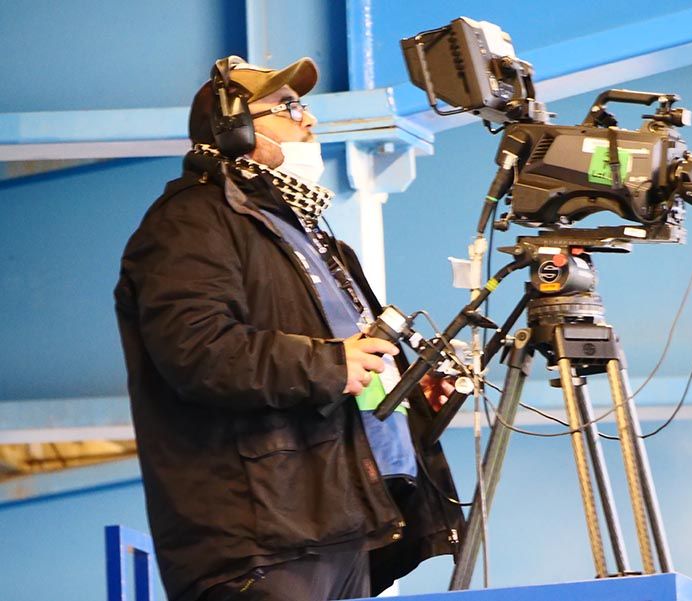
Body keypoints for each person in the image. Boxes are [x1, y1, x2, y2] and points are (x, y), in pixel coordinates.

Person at [115, 55, 464, 601]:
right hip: (262, 541)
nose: (310, 120)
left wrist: (407, 394)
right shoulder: (190, 221)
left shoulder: (314, 239)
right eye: (289, 107)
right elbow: (198, 350)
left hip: (337, 528)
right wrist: (331, 363)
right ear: (235, 128)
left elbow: (346, 366)